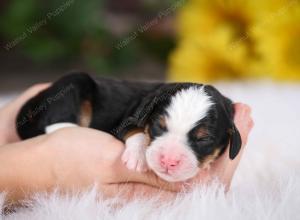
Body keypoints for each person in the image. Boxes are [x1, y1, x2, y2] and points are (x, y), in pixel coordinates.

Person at [0, 83, 253, 204]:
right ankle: (56, 128)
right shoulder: (149, 107)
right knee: (75, 85)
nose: (169, 158)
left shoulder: (223, 121)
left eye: (201, 141)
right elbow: (129, 123)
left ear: (229, 139)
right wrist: (137, 138)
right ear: (150, 118)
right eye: (158, 130)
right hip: (69, 101)